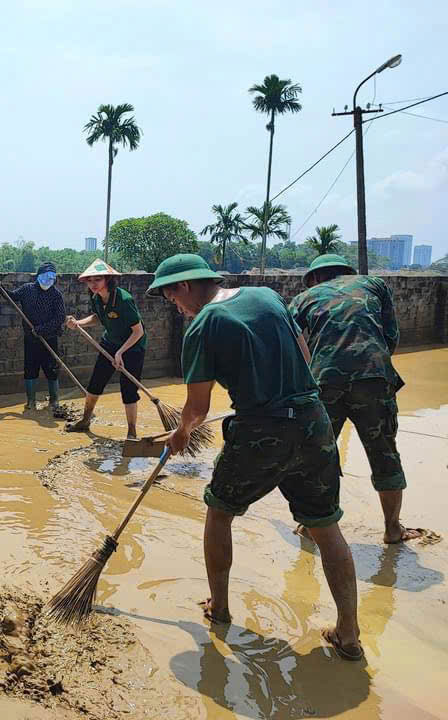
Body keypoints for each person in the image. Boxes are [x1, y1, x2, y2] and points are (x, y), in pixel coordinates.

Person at [148, 253, 361, 661]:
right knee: (324, 526)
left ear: (186, 286)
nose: (175, 307)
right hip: (314, 420)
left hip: (262, 430)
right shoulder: (268, 296)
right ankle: (348, 634)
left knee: (219, 510)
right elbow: (303, 353)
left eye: (171, 298)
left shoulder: (203, 326)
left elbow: (197, 409)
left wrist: (180, 434)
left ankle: (220, 606)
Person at [290, 254, 421, 544]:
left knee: (317, 456)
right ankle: (393, 529)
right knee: (384, 453)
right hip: (374, 379)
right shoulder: (374, 284)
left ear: (313, 278)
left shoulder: (303, 298)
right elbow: (391, 335)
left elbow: (289, 343)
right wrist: (373, 367)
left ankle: (311, 525)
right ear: (347, 273)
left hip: (324, 382)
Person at [64, 259, 146, 438]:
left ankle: (132, 433)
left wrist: (120, 352)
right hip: (109, 344)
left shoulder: (124, 300)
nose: (93, 284)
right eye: (90, 280)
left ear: (107, 280)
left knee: (129, 391)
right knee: (94, 385)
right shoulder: (96, 298)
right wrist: (79, 323)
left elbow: (138, 331)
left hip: (132, 348)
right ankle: (85, 420)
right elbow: (97, 317)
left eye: (98, 280)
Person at [0, 262, 66, 412]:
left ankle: (54, 400)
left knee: (52, 369)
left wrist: (41, 329)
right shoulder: (27, 290)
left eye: (52, 278)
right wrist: (1, 289)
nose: (48, 280)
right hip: (31, 339)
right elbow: (12, 296)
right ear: (38, 276)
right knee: (30, 369)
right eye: (45, 277)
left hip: (49, 339)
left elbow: (59, 318)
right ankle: (31, 402)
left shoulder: (56, 295)